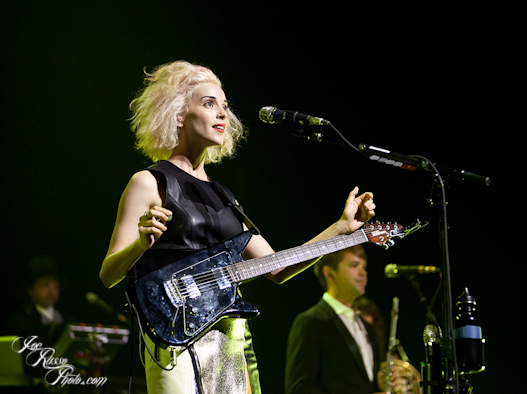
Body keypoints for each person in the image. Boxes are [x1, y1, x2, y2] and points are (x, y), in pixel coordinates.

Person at [98, 60, 376, 394]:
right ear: (178, 116)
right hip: (174, 338)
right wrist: (140, 244)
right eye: (209, 103)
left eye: (225, 107)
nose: (222, 114)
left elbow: (278, 266)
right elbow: (108, 274)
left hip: (230, 340)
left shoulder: (224, 197)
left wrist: (342, 229)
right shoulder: (149, 182)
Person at [285, 245, 420, 394]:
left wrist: (383, 381)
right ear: (330, 273)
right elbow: (299, 389)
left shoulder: (365, 326)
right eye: (354, 265)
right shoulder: (311, 322)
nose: (363, 273)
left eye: (364, 266)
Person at [4, 256, 74, 377]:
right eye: (45, 285)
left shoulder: (67, 320)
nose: (51, 292)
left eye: (55, 286)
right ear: (31, 289)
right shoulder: (19, 322)